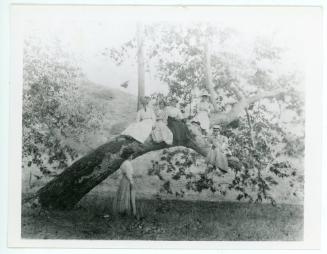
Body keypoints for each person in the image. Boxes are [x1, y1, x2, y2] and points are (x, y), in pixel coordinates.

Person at [113, 147, 137, 217]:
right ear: (128, 155)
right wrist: (132, 182)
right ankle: (125, 211)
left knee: (123, 194)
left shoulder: (123, 163)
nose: (132, 156)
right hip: (127, 180)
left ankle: (123, 211)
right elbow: (128, 174)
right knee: (127, 195)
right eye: (131, 155)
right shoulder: (127, 163)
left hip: (123, 180)